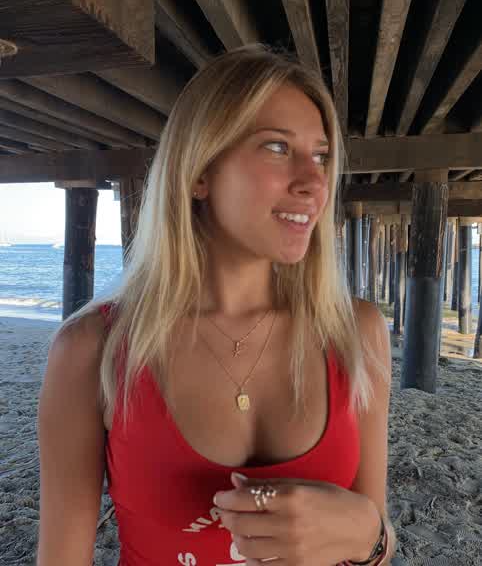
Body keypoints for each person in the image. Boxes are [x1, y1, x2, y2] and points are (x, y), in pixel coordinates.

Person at [37, 44, 396, 565]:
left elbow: (376, 543)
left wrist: (370, 536)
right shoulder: (94, 349)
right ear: (199, 172)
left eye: (321, 156)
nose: (315, 182)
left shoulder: (357, 333)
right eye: (278, 147)